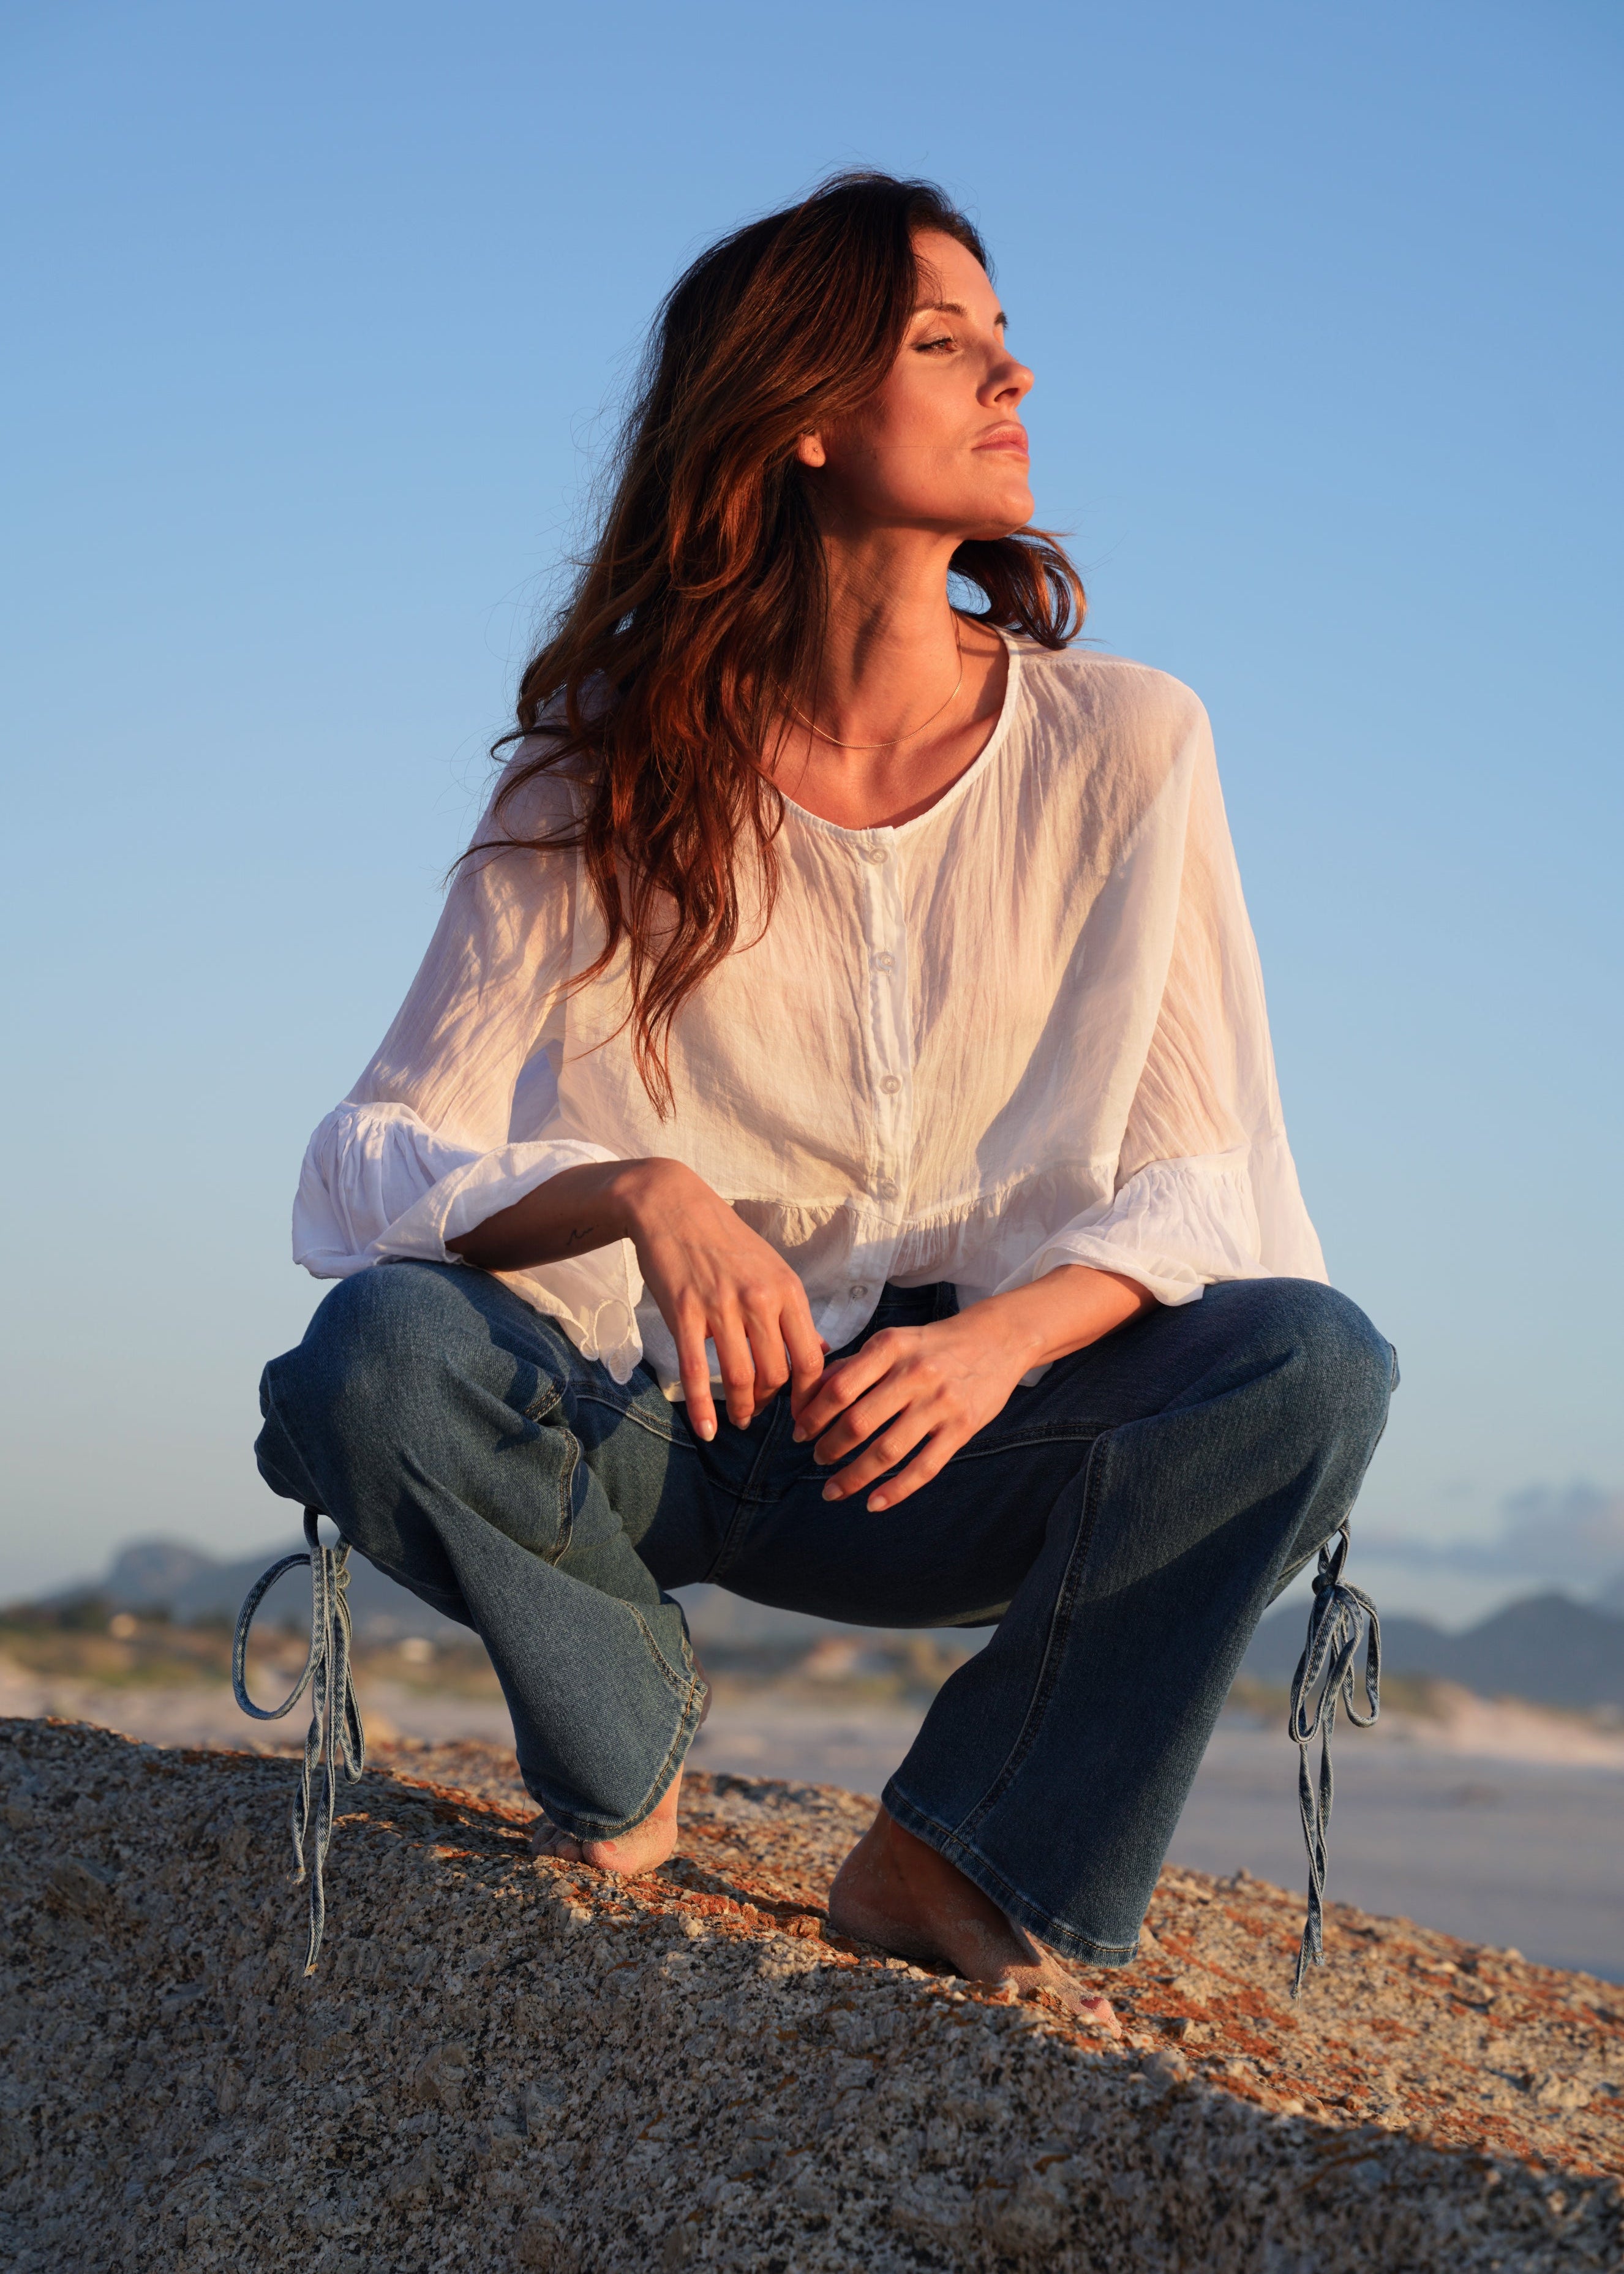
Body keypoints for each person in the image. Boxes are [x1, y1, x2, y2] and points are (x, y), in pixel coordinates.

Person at [255, 172, 1393, 2030]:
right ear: (796, 411)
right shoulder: (603, 771)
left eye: (1000, 337)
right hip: (651, 1425)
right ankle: (623, 1742)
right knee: (376, 1353)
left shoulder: (1128, 740)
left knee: (1311, 1361)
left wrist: (1000, 1346)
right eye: (941, 342)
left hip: (961, 1440)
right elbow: (366, 1166)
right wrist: (640, 1188)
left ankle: (959, 1846)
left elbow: (1213, 1182)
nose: (1008, 374)